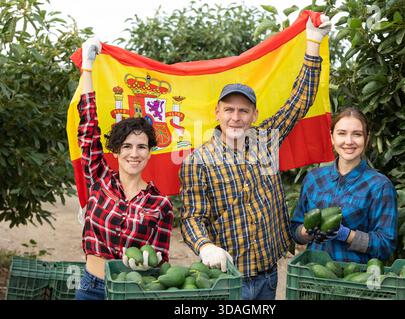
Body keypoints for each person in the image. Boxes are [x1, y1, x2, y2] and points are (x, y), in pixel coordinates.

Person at [179, 13, 331, 300]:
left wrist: (313, 42)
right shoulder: (197, 161)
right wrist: (204, 246)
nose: (236, 117)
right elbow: (192, 217)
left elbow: (299, 102)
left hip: (267, 275)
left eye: (243, 111)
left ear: (254, 115)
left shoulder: (265, 140)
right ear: (217, 113)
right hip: (226, 279)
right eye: (229, 110)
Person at [74, 38, 174, 300]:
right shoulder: (100, 179)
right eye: (127, 146)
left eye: (142, 147)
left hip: (131, 291)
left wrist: (150, 264)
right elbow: (87, 129)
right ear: (116, 152)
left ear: (150, 152)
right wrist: (87, 68)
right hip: (91, 287)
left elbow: (162, 260)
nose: (134, 153)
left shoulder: (160, 203)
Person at [290, 107, 398, 263]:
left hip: (354, 279)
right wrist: (306, 232)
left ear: (367, 139)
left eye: (357, 134)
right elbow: (296, 230)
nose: (349, 141)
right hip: (313, 276)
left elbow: (386, 245)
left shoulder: (380, 186)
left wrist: (347, 235)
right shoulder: (313, 179)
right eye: (341, 133)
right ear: (332, 137)